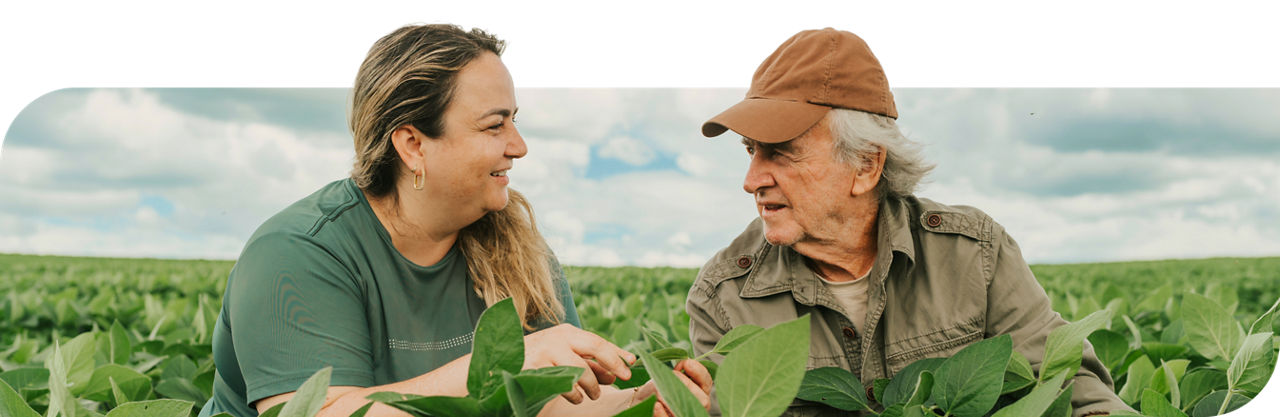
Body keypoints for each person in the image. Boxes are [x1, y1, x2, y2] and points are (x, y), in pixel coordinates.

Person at [199, 24, 711, 417]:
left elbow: (554, 403)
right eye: (495, 125)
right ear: (413, 144)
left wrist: (642, 402)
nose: (518, 146)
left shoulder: (519, 251)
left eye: (515, 120)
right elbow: (317, 412)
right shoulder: (299, 252)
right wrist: (498, 367)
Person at [686, 28, 1132, 417]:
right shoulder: (724, 295)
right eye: (751, 150)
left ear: (865, 165)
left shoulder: (972, 252)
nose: (751, 181)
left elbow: (1070, 388)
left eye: (780, 152)